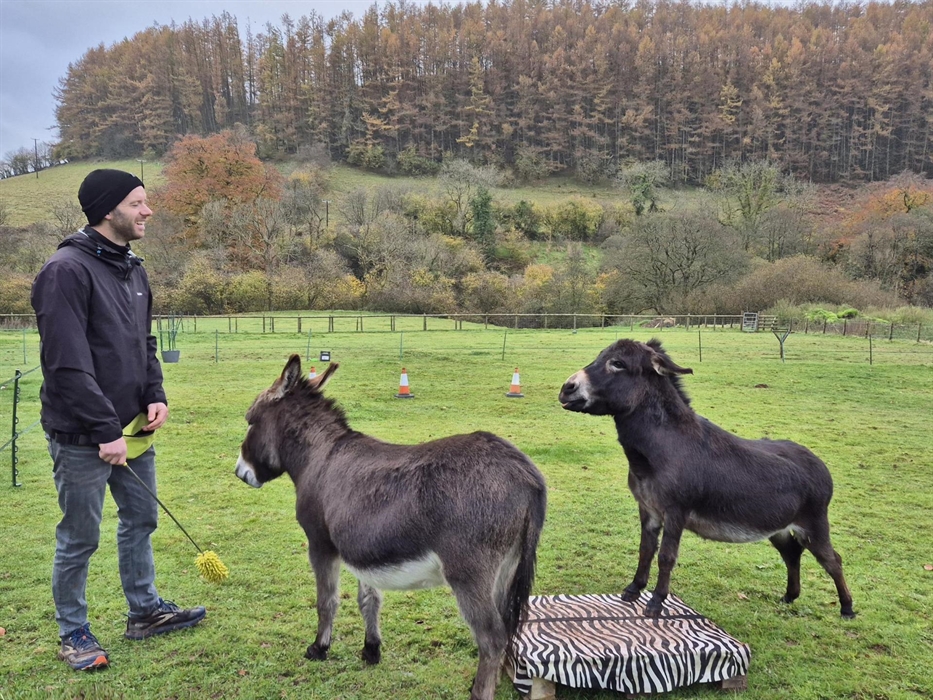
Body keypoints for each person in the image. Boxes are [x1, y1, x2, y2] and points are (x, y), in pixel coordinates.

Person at [31, 169, 206, 672]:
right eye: (138, 202)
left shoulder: (133, 268)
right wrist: (103, 430)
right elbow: (65, 363)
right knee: (80, 536)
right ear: (109, 210)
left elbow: (143, 342)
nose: (148, 211)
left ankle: (145, 611)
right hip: (85, 434)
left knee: (142, 519)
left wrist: (155, 393)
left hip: (134, 428)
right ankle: (73, 633)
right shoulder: (65, 271)